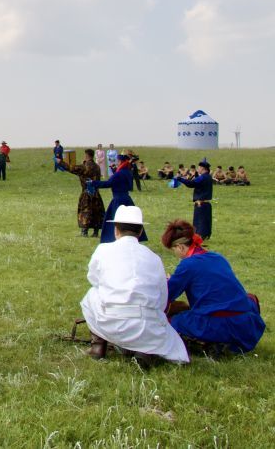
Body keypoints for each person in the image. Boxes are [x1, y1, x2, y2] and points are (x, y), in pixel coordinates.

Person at [79, 206, 188, 366]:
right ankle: (144, 350)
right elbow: (162, 297)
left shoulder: (103, 250)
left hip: (111, 319)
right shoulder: (153, 257)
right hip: (146, 323)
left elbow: (93, 279)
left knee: (91, 295)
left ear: (116, 230)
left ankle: (98, 345)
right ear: (140, 231)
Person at [162, 220, 265, 354]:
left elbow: (167, 294)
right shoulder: (218, 257)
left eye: (174, 250)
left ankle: (211, 343)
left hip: (219, 324)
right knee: (248, 299)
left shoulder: (188, 265)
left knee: (172, 322)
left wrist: (167, 281)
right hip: (247, 326)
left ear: (180, 247)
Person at [90, 153, 142, 243]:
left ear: (121, 161)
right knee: (129, 219)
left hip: (118, 199)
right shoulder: (128, 171)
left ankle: (112, 237)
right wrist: (114, 171)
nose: (117, 163)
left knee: (115, 219)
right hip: (127, 198)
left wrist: (93, 183)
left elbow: (108, 183)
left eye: (118, 161)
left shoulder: (119, 174)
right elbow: (121, 181)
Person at [65, 149, 105, 238]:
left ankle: (84, 232)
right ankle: (96, 232)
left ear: (86, 156)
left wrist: (60, 162)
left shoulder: (85, 166)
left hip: (86, 192)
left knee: (85, 211)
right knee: (96, 211)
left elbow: (71, 168)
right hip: (96, 192)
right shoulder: (97, 166)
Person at [172, 159, 213, 240]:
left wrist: (180, 179)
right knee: (206, 221)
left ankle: (199, 237)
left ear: (203, 168)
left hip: (200, 204)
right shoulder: (208, 177)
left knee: (200, 222)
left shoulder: (202, 177)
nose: (198, 169)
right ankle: (205, 236)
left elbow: (191, 184)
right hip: (206, 204)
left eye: (199, 167)